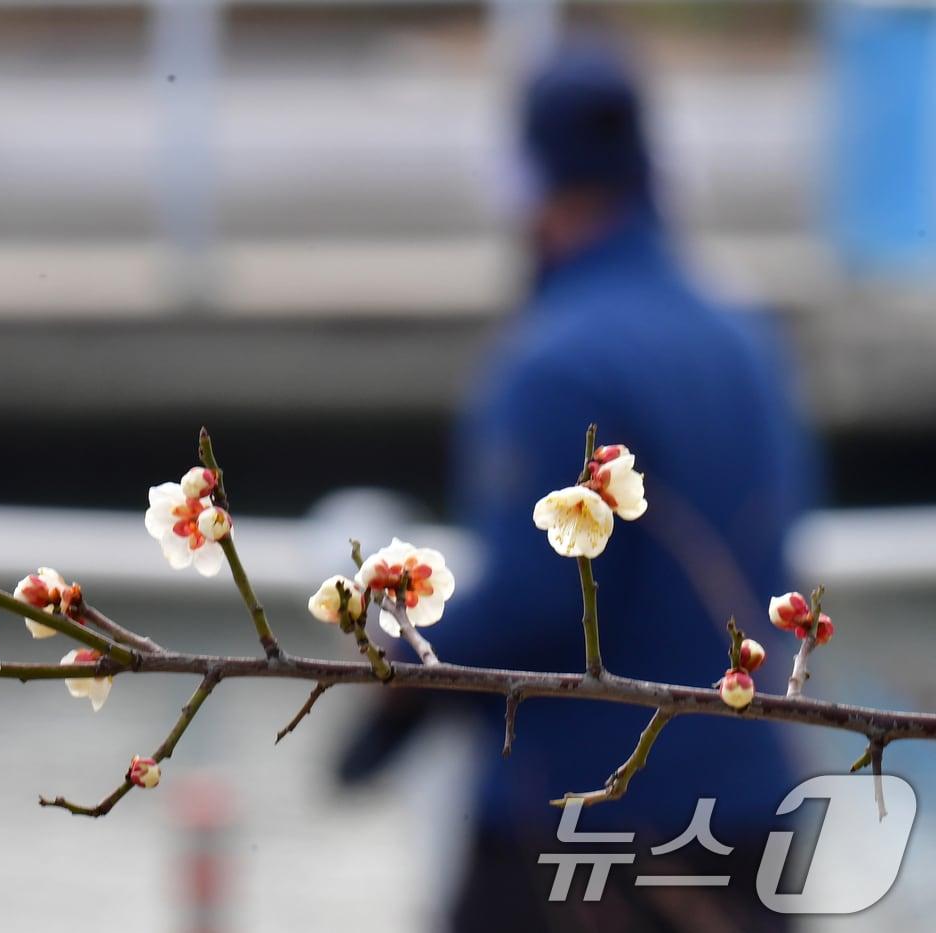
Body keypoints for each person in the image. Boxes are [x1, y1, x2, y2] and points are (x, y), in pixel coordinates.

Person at [336, 37, 814, 931]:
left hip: (584, 832)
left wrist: (392, 682)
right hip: (753, 812)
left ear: (530, 185)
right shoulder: (747, 344)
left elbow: (535, 604)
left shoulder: (556, 366)